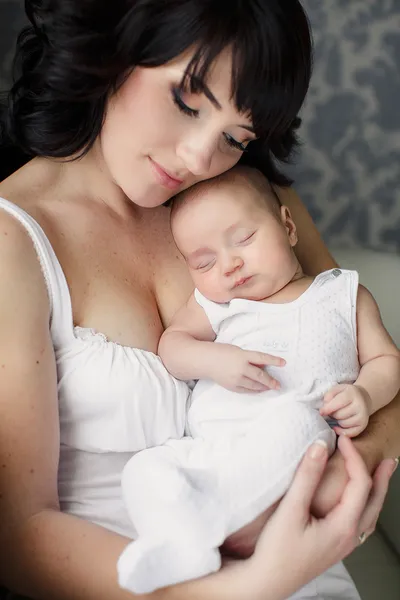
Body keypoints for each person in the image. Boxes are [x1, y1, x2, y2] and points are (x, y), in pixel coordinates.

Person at [0, 1, 398, 599]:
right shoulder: (14, 240)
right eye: (185, 102)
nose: (197, 159)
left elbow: (363, 356)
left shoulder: (252, 204)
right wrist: (244, 586)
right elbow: (22, 539)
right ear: (116, 48)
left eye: (236, 138)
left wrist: (338, 476)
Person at [117, 166, 400, 594]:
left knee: (297, 425)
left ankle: (213, 527)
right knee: (145, 467)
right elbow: (172, 346)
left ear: (288, 227)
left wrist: (364, 393)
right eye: (205, 262)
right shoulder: (218, 306)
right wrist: (214, 359)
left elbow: (386, 360)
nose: (229, 265)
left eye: (244, 240)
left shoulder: (341, 294)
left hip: (294, 448)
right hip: (213, 450)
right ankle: (176, 538)